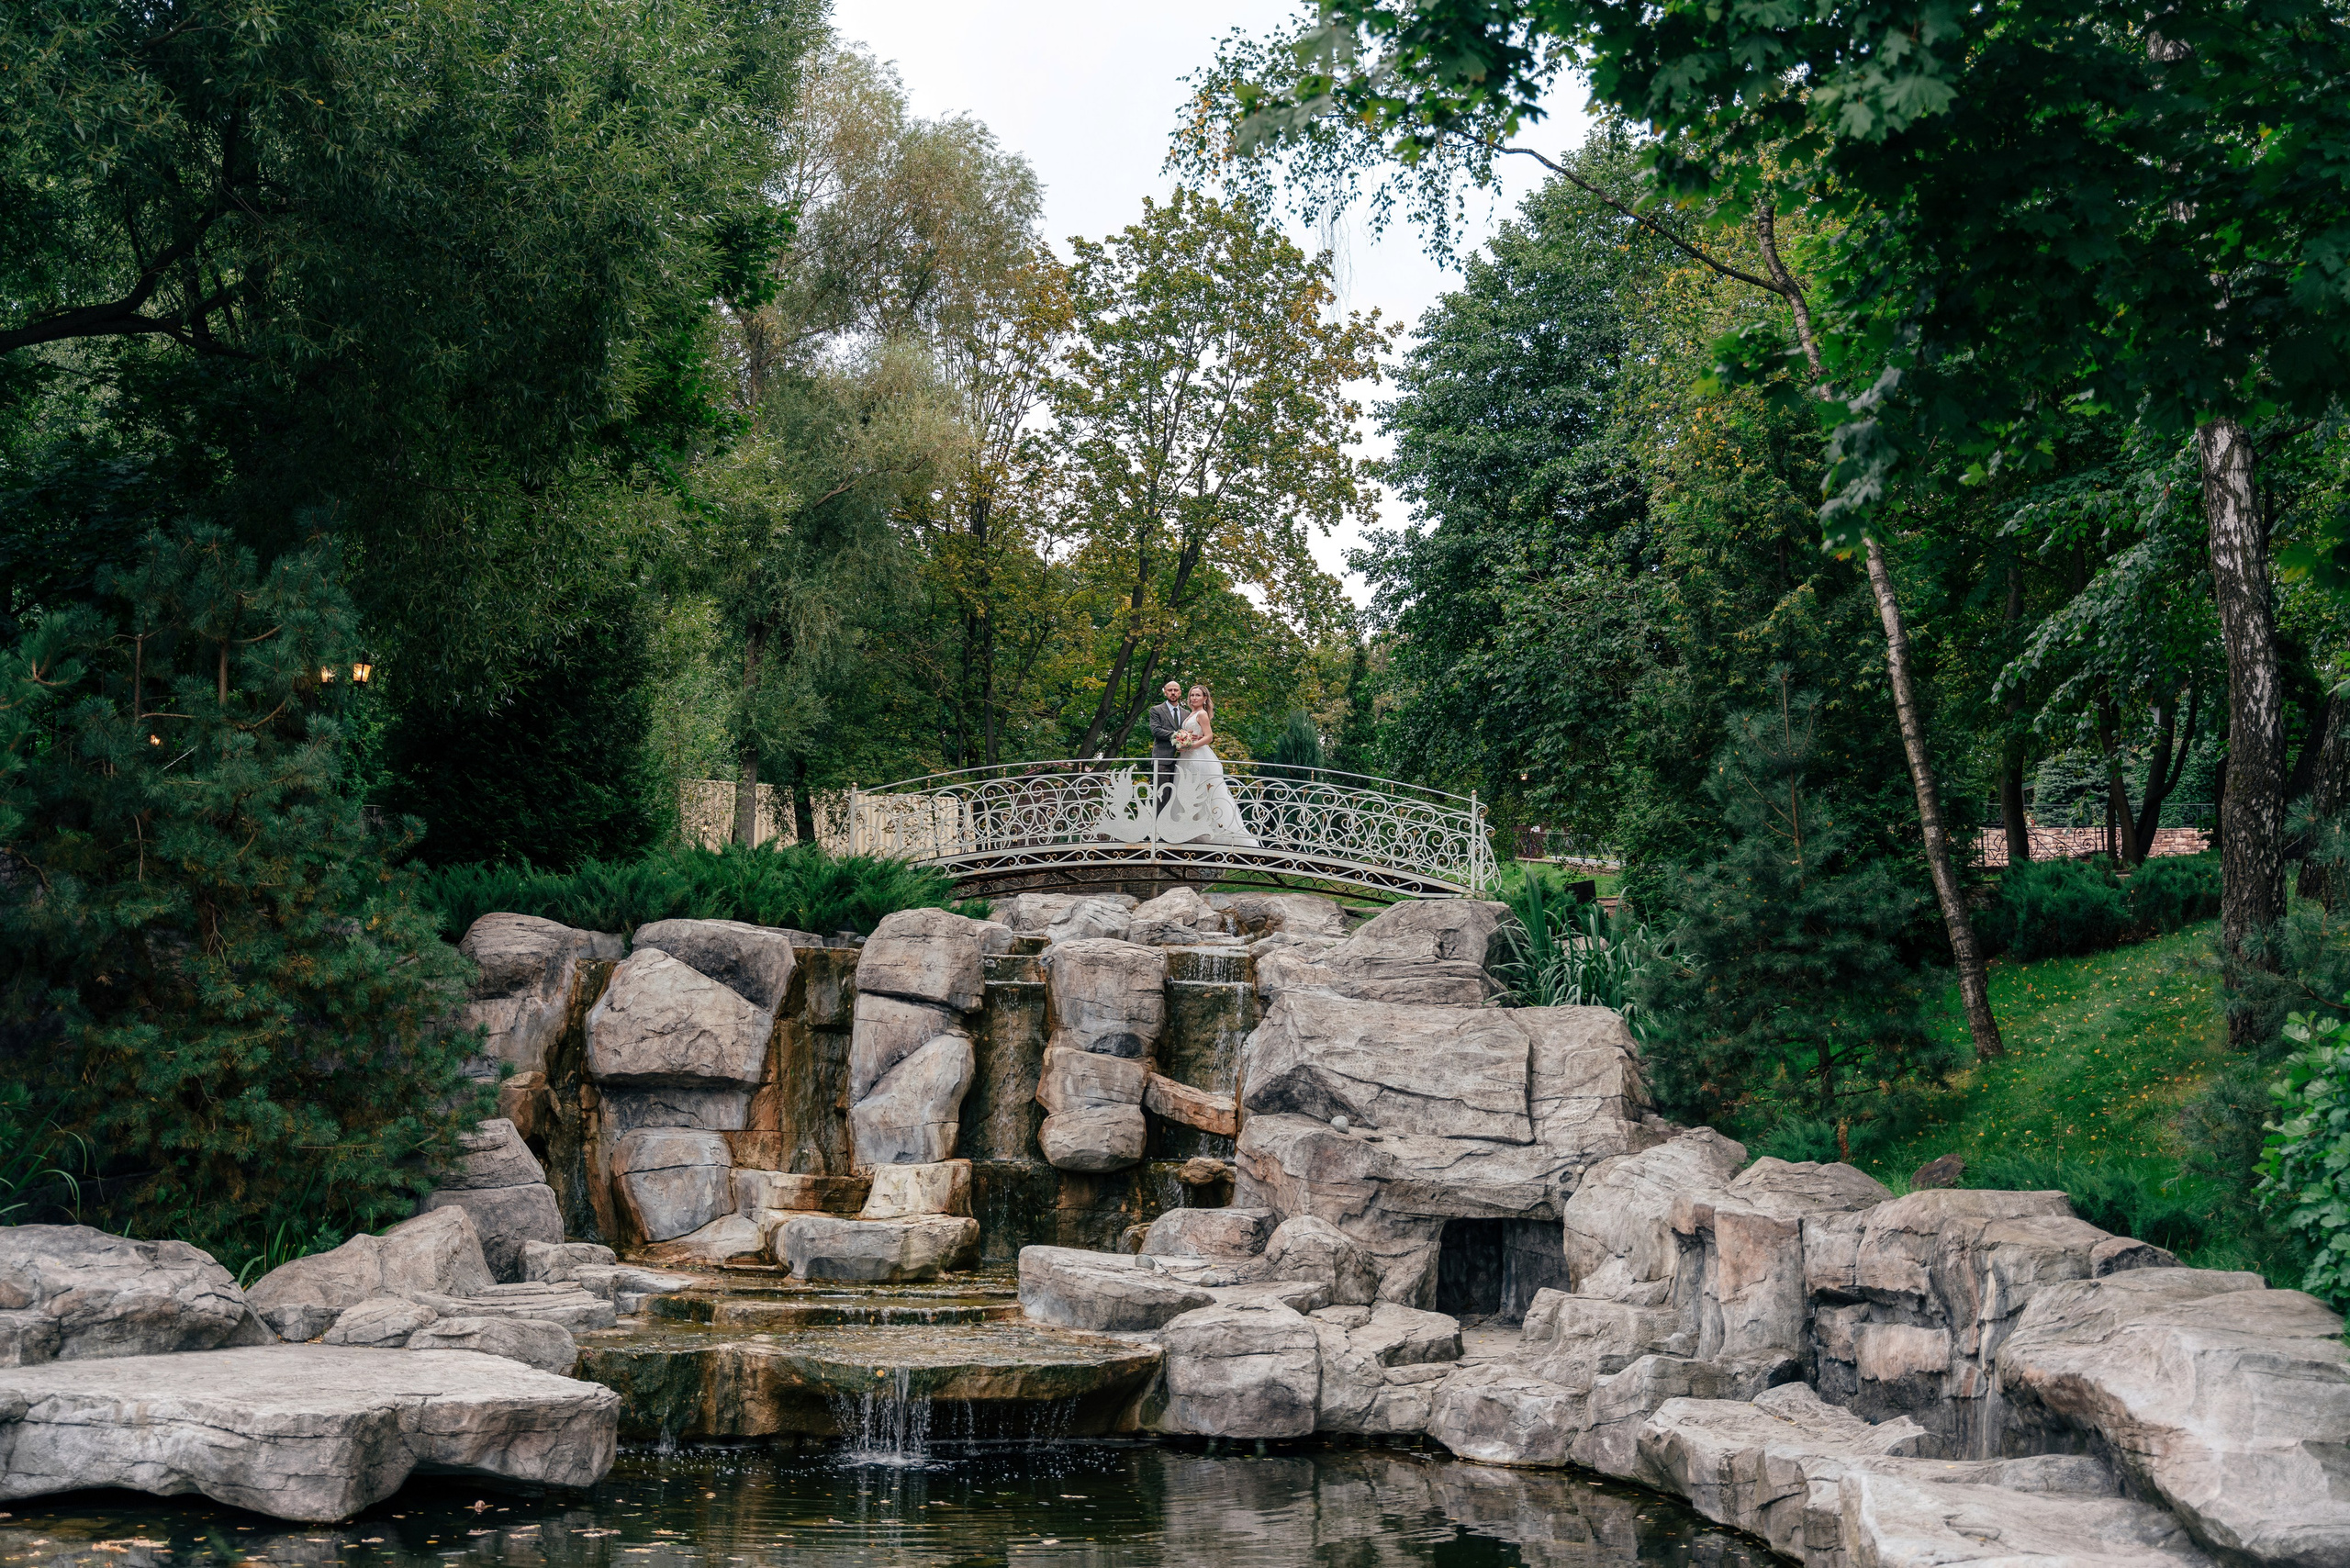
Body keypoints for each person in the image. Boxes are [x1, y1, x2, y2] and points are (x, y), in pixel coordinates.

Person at [1169, 683, 1259, 846]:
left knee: (1203, 793)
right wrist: (1183, 741)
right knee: (1188, 793)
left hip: (1198, 757)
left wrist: (1190, 746)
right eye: (1192, 695)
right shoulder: (1191, 714)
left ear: (1205, 698)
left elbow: (1209, 737)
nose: (1194, 698)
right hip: (1186, 757)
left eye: (1198, 695)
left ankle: (1211, 833)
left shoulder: (1202, 714)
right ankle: (1190, 830)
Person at [1146, 678, 1186, 815]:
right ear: (1165, 692)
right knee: (1162, 795)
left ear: (1180, 693)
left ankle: (1175, 825)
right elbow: (1156, 731)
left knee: (1180, 796)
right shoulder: (1156, 710)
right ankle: (1159, 826)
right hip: (1162, 760)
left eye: (1175, 690)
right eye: (1170, 690)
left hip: (1182, 760)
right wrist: (1178, 735)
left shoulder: (1186, 713)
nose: (1173, 693)